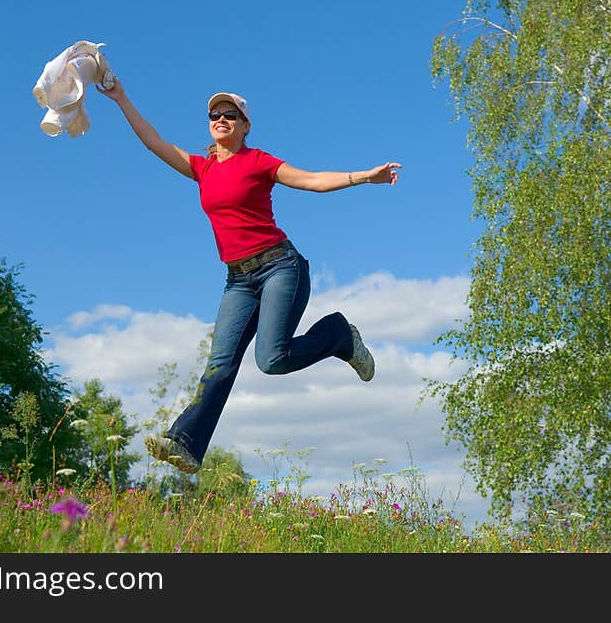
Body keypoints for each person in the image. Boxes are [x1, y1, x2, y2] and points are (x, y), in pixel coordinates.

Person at [97, 79, 401, 474]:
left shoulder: (257, 161)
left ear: (244, 125)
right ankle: (186, 443)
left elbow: (311, 180)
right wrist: (121, 97)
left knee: (271, 360)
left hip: (280, 267)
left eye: (230, 115)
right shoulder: (202, 169)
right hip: (238, 281)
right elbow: (153, 141)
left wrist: (364, 176)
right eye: (215, 115)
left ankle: (339, 335)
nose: (221, 119)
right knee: (219, 364)